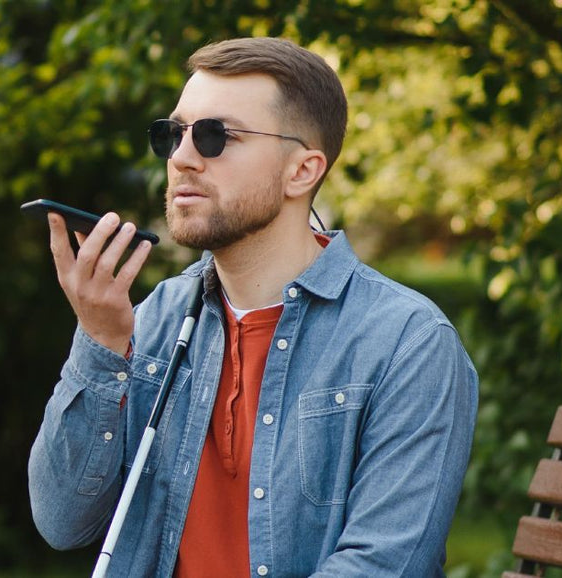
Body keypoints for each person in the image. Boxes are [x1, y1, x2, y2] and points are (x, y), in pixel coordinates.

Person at [27, 37, 478, 577]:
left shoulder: (406, 342)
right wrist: (101, 344)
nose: (183, 158)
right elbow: (62, 521)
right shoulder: (155, 318)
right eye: (173, 135)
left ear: (302, 171)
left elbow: (385, 563)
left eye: (217, 136)